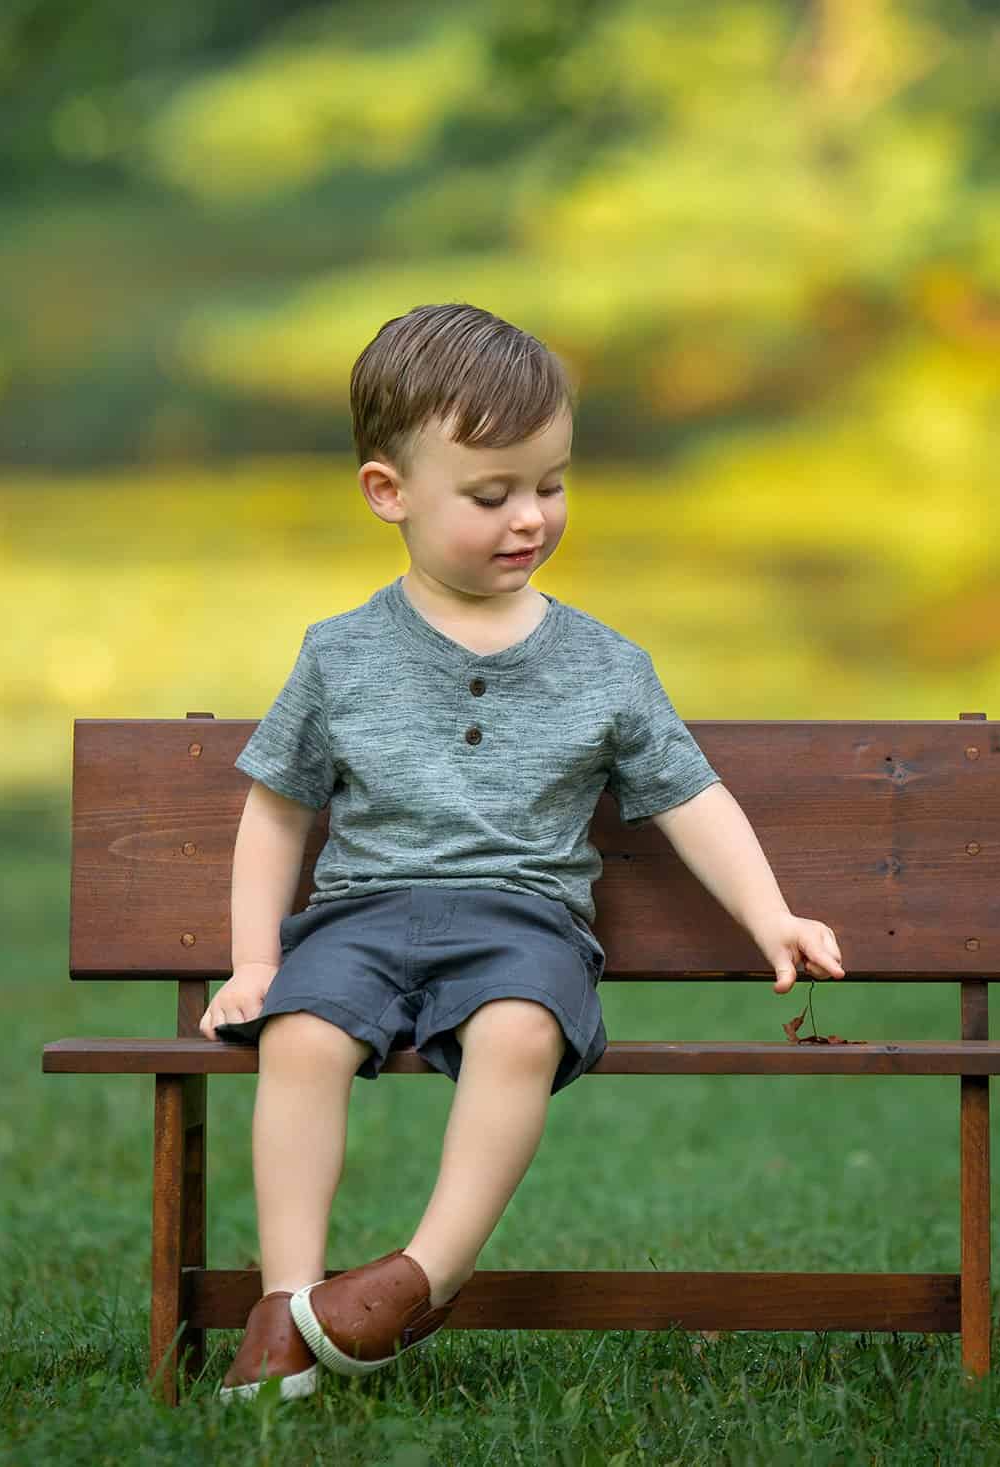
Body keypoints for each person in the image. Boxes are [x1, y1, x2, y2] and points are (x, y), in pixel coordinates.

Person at [204, 302, 847, 1401]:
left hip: (522, 922)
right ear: (388, 493)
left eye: (549, 484)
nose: (529, 518)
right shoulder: (340, 655)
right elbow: (276, 811)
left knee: (520, 1030)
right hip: (358, 915)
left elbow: (690, 796)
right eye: (490, 495)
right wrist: (255, 963)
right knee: (300, 1036)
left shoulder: (603, 665)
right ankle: (289, 1304)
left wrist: (769, 912)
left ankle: (417, 1276)